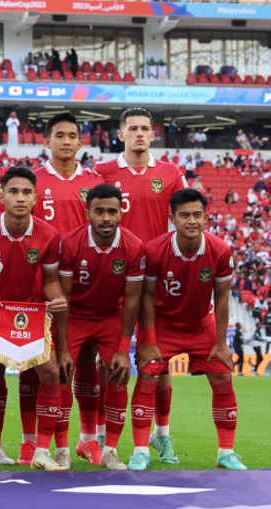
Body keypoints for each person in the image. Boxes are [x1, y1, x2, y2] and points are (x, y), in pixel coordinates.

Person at [0, 166, 69, 471]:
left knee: (50, 372)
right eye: (13, 191)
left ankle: (41, 452)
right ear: (1, 195)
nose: (20, 198)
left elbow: (49, 280)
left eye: (26, 193)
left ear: (36, 198)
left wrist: (55, 297)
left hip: (26, 314)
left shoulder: (48, 235)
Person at [132, 188, 246, 471]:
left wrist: (221, 342)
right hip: (162, 323)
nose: (191, 220)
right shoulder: (155, 250)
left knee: (222, 376)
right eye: (184, 215)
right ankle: (140, 450)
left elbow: (221, 297)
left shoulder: (220, 249)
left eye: (197, 214)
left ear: (206, 216)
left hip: (200, 323)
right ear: (172, 217)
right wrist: (147, 339)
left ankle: (226, 452)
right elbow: (145, 296)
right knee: (148, 374)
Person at [95, 108, 186, 452]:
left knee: (159, 361)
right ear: (120, 134)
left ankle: (162, 436)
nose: (139, 134)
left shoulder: (170, 173)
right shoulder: (101, 172)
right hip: (112, 277)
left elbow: (183, 221)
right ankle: (102, 430)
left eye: (145, 128)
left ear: (152, 134)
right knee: (107, 360)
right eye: (132, 128)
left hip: (154, 279)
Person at [27, 112, 102, 467]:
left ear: (81, 142)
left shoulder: (95, 182)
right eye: (60, 135)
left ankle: (86, 440)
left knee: (84, 366)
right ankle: (42, 444)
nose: (67, 141)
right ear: (47, 141)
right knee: (41, 368)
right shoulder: (32, 182)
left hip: (84, 289)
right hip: (40, 287)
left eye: (73, 135)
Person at [55, 183, 144, 470]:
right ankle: (61, 449)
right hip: (76, 314)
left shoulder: (133, 247)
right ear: (88, 213)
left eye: (112, 211)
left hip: (110, 317)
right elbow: (64, 297)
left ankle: (110, 451)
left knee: (119, 373)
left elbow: (131, 301)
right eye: (100, 211)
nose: (106, 217)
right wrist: (63, 347)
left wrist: (122, 348)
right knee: (61, 371)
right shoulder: (70, 243)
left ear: (121, 213)